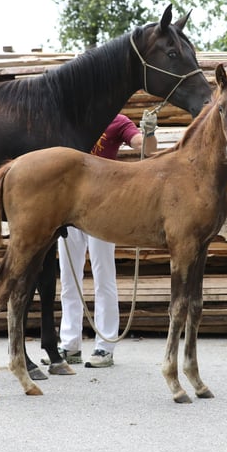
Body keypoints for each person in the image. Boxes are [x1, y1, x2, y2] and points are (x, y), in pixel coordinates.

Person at [46, 110, 158, 368]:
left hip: (103, 209)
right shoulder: (70, 119)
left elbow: (147, 149)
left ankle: (104, 346)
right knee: (69, 277)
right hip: (70, 208)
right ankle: (70, 344)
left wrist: (149, 131)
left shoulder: (117, 121)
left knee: (103, 276)